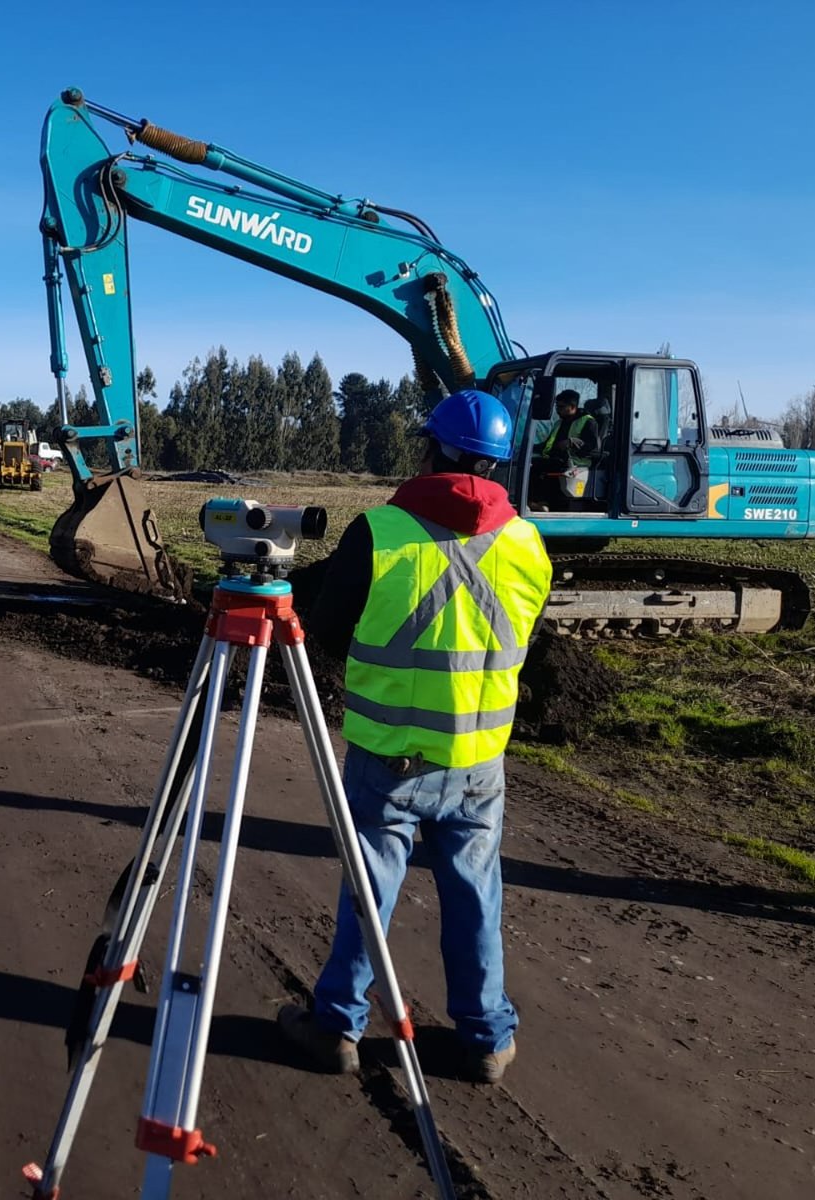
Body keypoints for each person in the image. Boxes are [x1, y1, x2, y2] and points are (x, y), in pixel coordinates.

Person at [280, 389, 553, 1084]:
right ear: (496, 462)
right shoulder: (528, 543)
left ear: (431, 451)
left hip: (390, 757)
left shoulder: (380, 532)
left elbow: (329, 632)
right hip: (478, 762)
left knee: (370, 891)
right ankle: (487, 1037)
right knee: (476, 893)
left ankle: (338, 1026)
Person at [530, 389, 602, 511]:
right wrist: (528, 447)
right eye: (556, 406)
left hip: (577, 462)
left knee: (537, 467)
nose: (558, 410)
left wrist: (572, 442)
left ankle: (541, 502)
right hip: (557, 458)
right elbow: (548, 444)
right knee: (529, 462)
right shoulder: (559, 423)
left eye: (561, 407)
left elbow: (592, 447)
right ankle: (537, 502)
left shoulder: (588, 422)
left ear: (573, 406)